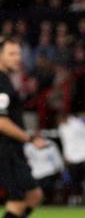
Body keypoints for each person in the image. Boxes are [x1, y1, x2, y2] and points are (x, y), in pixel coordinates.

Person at [0, 37, 45, 218]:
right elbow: (1, 122)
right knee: (17, 201)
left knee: (34, 196)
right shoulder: (1, 82)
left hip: (13, 150)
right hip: (5, 151)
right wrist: (29, 139)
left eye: (18, 53)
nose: (17, 57)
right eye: (11, 53)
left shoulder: (7, 80)